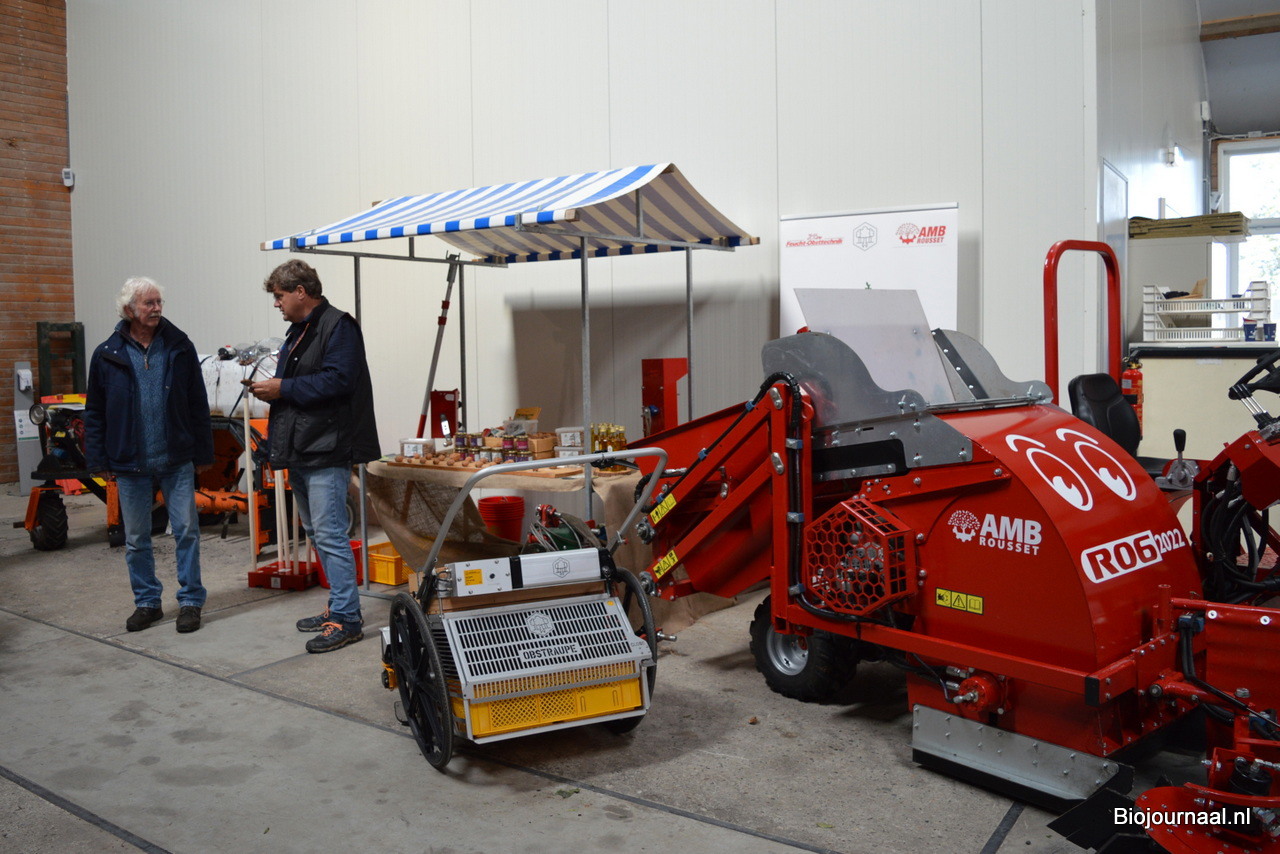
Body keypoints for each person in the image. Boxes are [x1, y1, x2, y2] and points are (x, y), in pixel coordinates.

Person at [249, 259, 379, 653]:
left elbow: (339, 380)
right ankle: (338, 606)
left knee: (331, 534)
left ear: (301, 292)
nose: (277, 303)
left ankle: (348, 619)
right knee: (319, 533)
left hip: (327, 449)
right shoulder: (300, 330)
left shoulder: (339, 327)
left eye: (280, 296)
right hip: (303, 448)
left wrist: (282, 388)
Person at [84, 277, 213, 634]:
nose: (157, 309)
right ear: (129, 310)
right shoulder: (107, 354)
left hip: (176, 458)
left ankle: (190, 601)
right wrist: (98, 460)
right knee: (137, 538)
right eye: (149, 303)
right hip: (129, 461)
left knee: (187, 531)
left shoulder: (179, 346)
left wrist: (204, 451)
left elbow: (198, 403)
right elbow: (95, 412)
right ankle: (147, 602)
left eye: (159, 302)